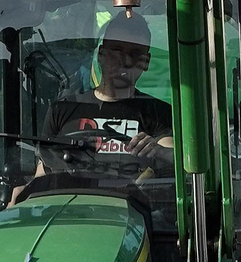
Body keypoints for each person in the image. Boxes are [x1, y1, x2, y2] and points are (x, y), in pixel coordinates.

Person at [41, 11, 174, 173]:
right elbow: (44, 170)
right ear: (101, 54)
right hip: (67, 196)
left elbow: (173, 156)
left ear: (145, 62)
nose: (124, 61)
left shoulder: (160, 113)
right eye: (116, 50)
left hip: (134, 198)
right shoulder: (62, 110)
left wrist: (158, 151)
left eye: (134, 54)